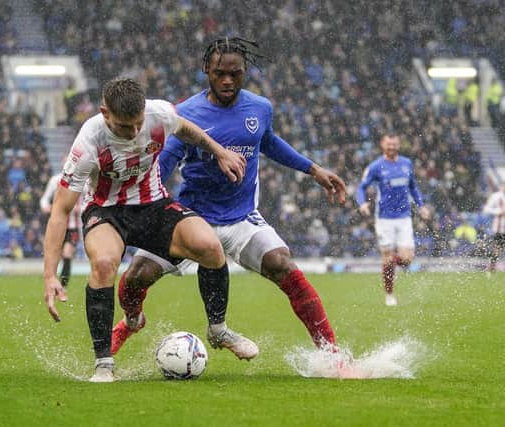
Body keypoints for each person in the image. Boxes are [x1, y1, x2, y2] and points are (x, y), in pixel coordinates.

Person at [110, 37, 349, 361]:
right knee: (136, 277)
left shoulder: (260, 107)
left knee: (283, 264)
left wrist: (312, 169)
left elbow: (269, 142)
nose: (227, 80)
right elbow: (165, 161)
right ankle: (133, 320)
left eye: (235, 74)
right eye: (220, 73)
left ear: (244, 71)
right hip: (190, 217)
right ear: (207, 69)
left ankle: (333, 356)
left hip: (240, 218)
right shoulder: (187, 112)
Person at [43, 77, 255, 383]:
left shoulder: (159, 114)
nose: (133, 133)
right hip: (106, 211)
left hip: (153, 204)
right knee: (103, 265)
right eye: (123, 126)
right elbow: (60, 211)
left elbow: (187, 129)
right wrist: (50, 274)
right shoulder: (88, 142)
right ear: (105, 113)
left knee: (209, 246)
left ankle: (218, 330)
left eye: (137, 124)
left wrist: (219, 151)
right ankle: (104, 363)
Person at [356, 133, 430, 306]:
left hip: (404, 217)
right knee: (388, 257)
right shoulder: (376, 166)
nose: (392, 147)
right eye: (389, 144)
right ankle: (389, 294)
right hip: (384, 219)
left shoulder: (407, 163)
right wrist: (362, 204)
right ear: (383, 145)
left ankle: (389, 263)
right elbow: (361, 187)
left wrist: (421, 205)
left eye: (395, 144)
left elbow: (413, 187)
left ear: (399, 144)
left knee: (407, 260)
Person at [40, 168, 81, 288]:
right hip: (58, 225)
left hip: (73, 226)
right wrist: (46, 208)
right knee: (55, 254)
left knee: (67, 254)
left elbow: (87, 200)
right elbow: (44, 199)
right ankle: (51, 280)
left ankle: (64, 285)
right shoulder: (55, 180)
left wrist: (82, 209)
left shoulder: (81, 180)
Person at [482, 182, 505, 272]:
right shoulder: (496, 196)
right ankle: (492, 267)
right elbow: (486, 209)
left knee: (497, 248)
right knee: (496, 248)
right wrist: (498, 211)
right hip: (500, 228)